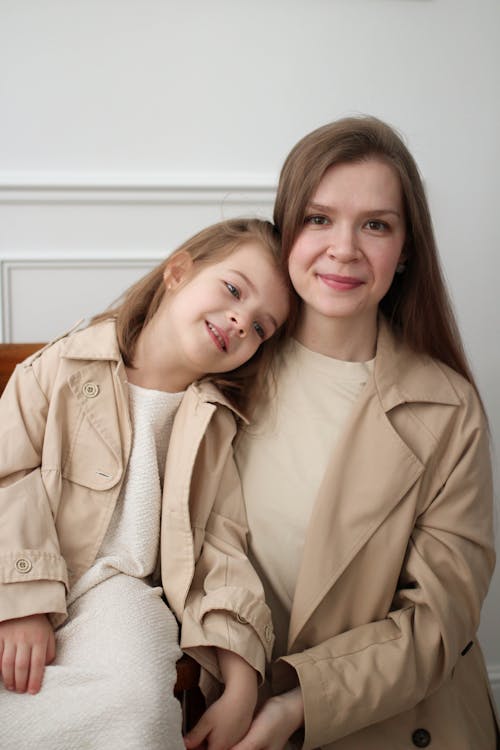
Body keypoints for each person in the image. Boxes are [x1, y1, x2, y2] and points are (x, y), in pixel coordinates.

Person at [219, 117, 498, 749]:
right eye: (319, 219)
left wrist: (297, 708)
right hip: (234, 711)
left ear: (405, 251)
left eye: (375, 224)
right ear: (286, 230)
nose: (344, 248)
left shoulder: (448, 408)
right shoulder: (223, 367)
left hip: (396, 724)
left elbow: (438, 621)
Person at [0, 218, 290, 750]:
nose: (240, 320)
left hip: (123, 591)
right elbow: (8, 476)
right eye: (232, 289)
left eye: (262, 327)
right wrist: (21, 601)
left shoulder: (219, 427)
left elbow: (222, 547)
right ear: (178, 271)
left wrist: (243, 682)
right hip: (25, 573)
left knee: (138, 697)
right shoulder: (59, 367)